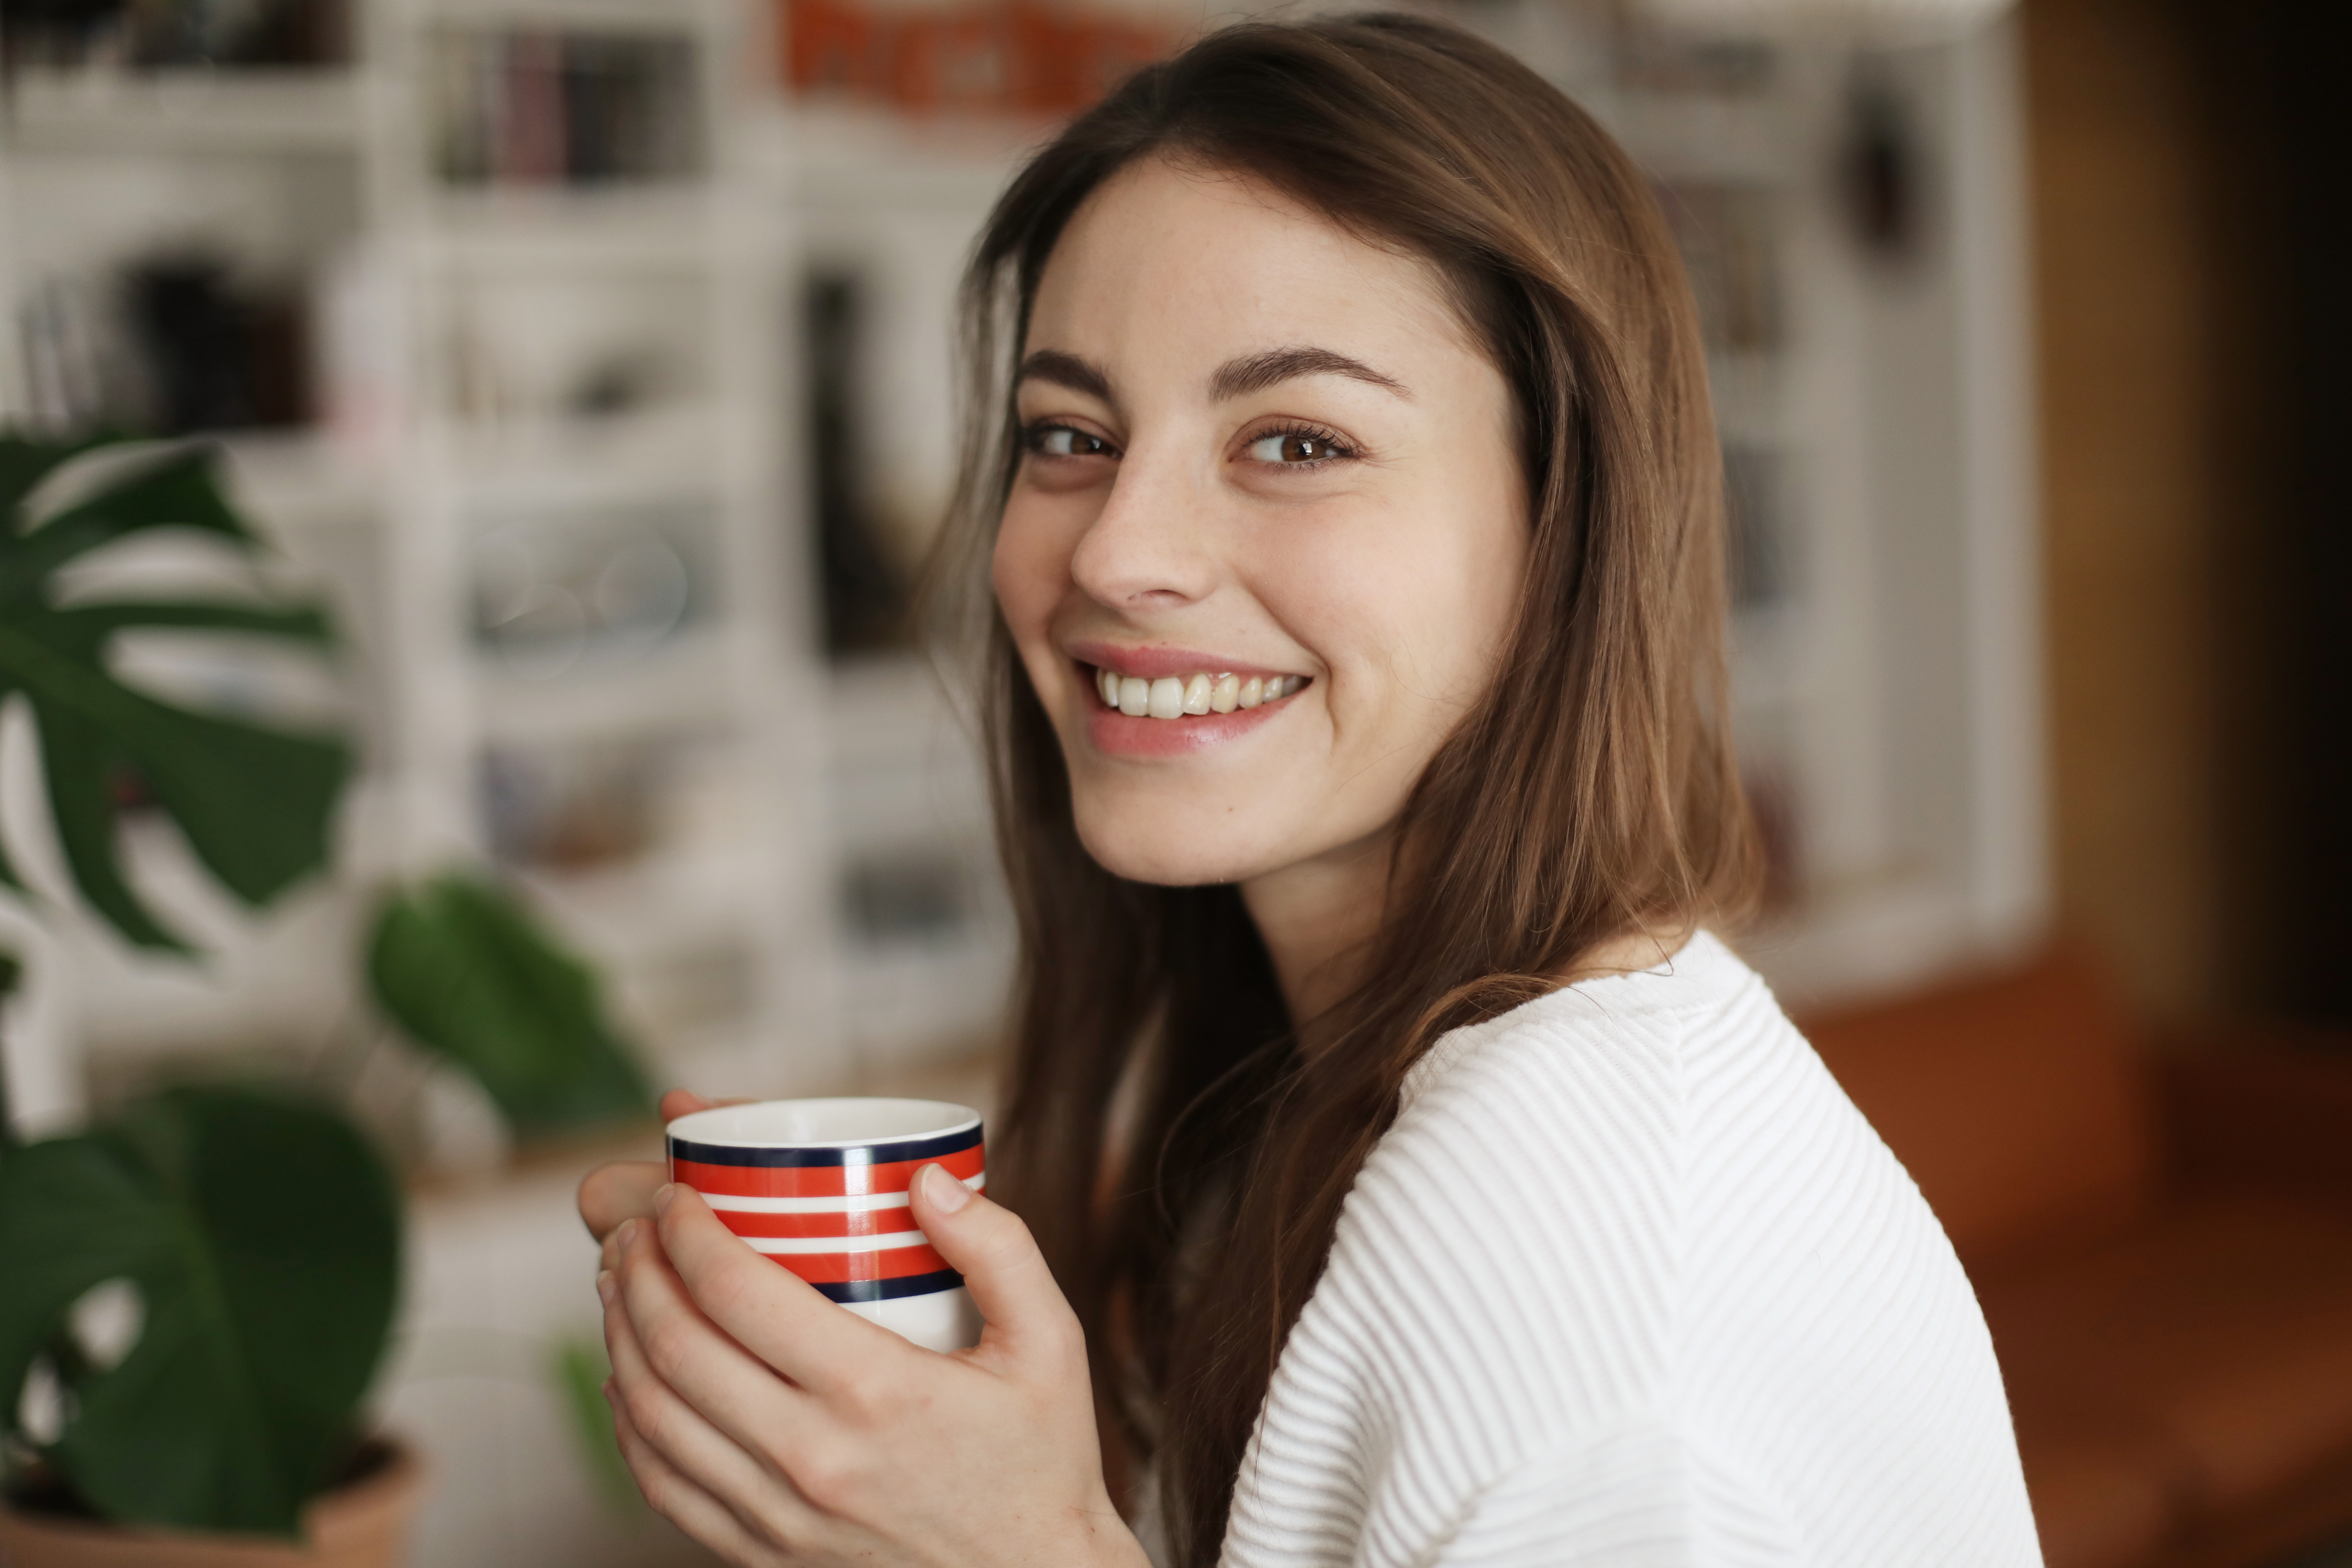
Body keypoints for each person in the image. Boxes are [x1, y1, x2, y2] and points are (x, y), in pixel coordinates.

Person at [577, 15, 2044, 1566]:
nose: (1115, 550)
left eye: (1295, 439)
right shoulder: (1313, 1112)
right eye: (1070, 435)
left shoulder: (1599, 1315)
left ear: (1569, 524)